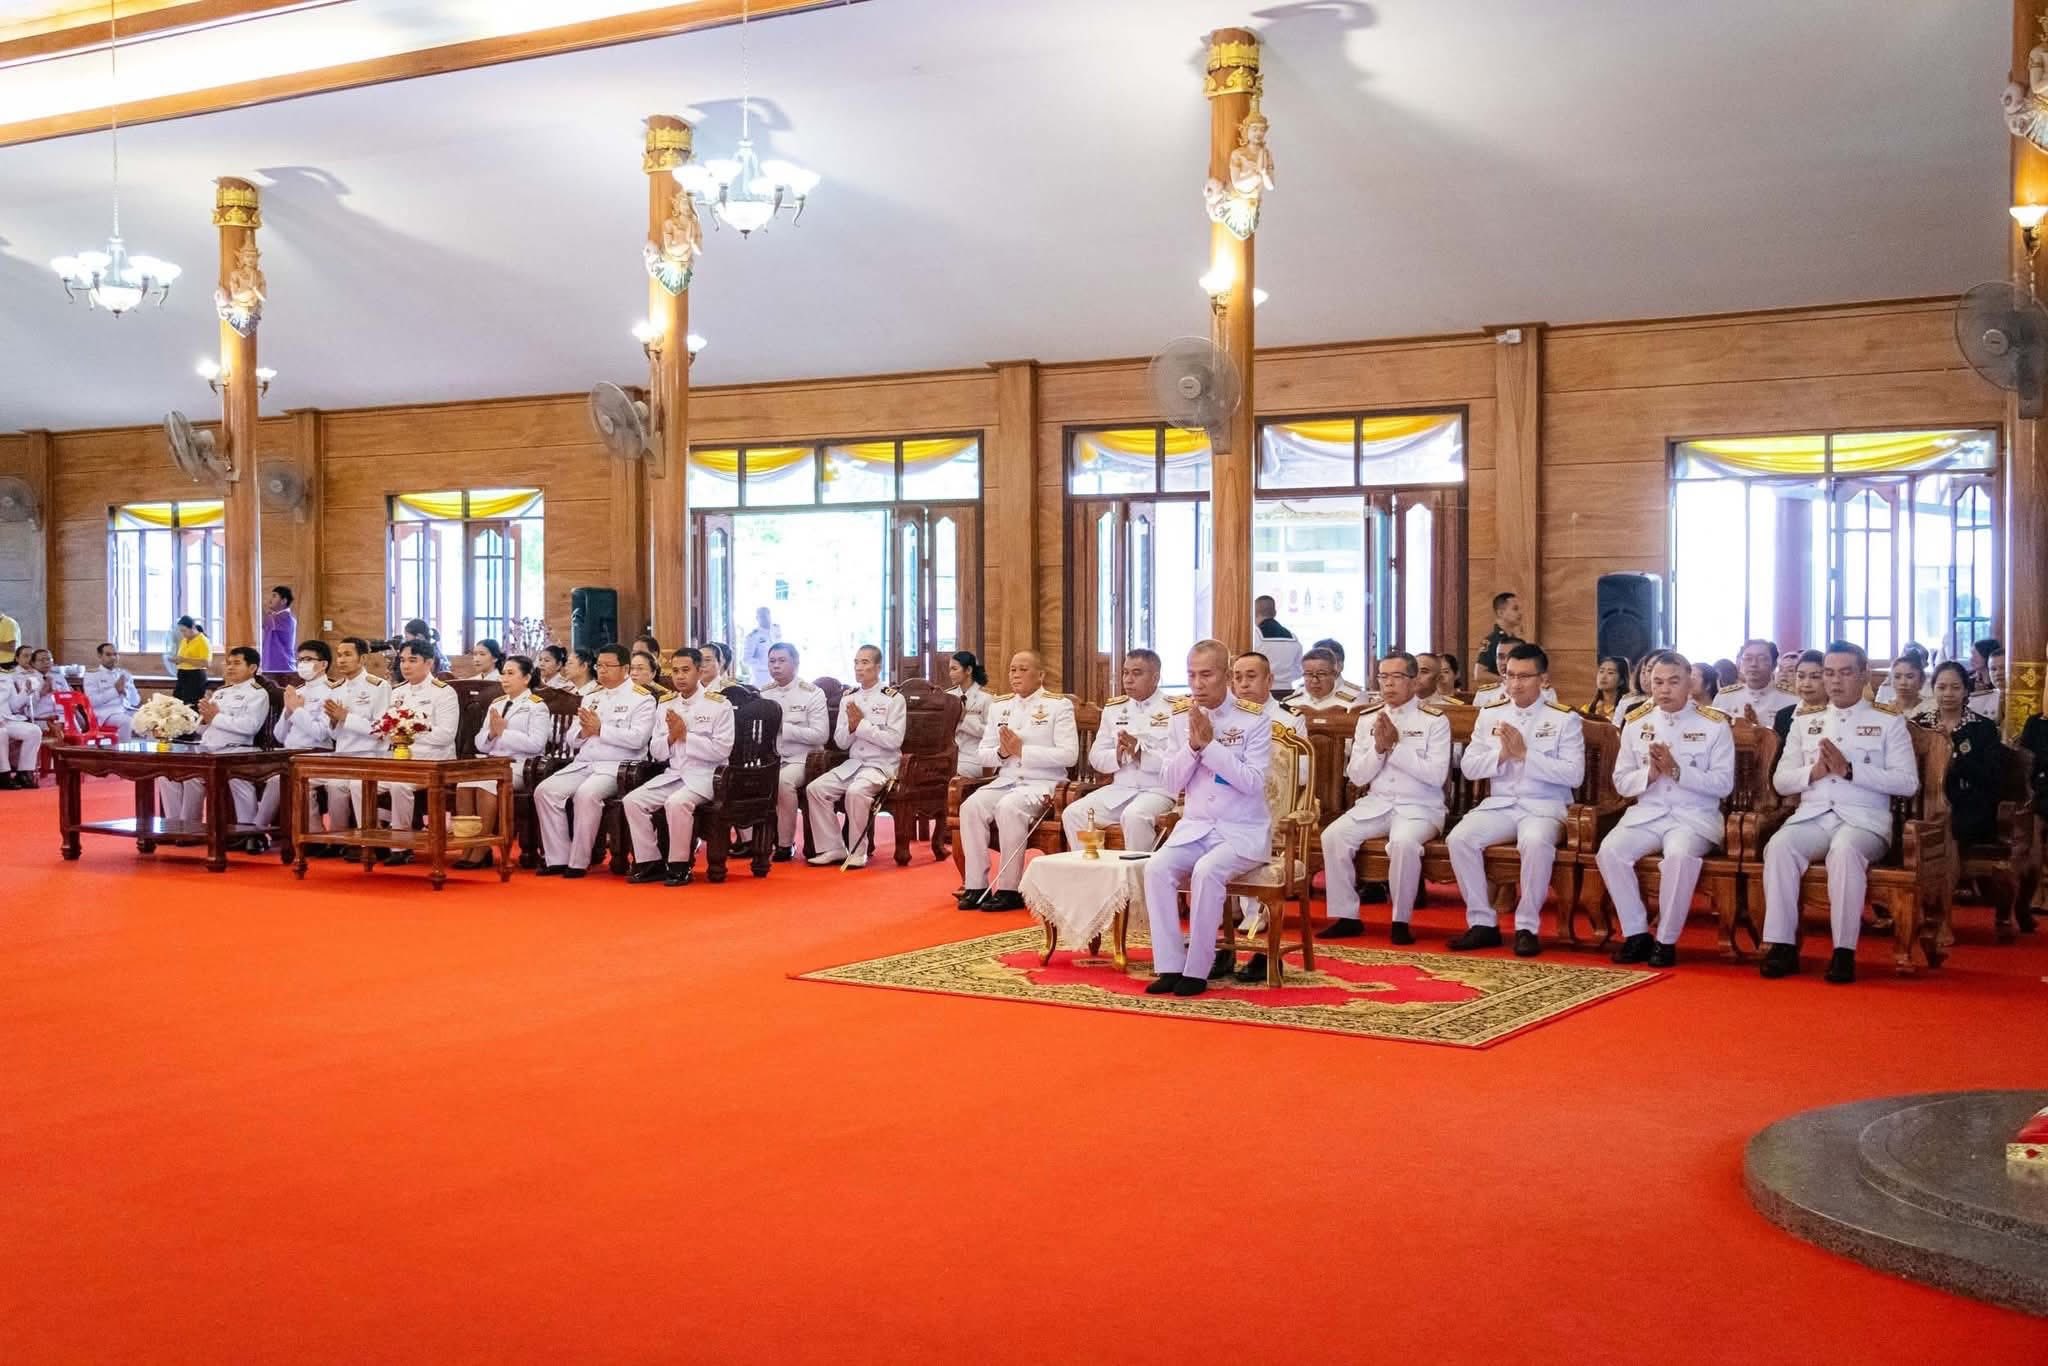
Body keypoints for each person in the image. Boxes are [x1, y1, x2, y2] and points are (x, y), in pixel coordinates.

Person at [1759, 642, 1919, 985]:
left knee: (1844, 851)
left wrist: (1851, 771)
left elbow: (1908, 783)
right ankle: (1782, 945)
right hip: (1814, 816)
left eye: (1845, 673)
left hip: (1864, 820)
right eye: (1828, 673)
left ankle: (1843, 950)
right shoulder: (1805, 722)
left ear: (1863, 675)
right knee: (1779, 846)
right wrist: (1812, 773)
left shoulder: (1888, 721)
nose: (1835, 681)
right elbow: (1781, 782)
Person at [1140, 640, 1273, 997]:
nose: (1197, 684)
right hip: (1196, 828)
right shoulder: (1179, 717)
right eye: (1191, 675)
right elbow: (1170, 783)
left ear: (1227, 676)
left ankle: (1197, 969)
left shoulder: (1254, 719)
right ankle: (1170, 965)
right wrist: (1193, 747)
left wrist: (1211, 747)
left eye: (1206, 675)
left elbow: (1253, 782)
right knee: (1156, 868)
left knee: (1207, 871)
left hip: (1241, 831)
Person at [1446, 642, 1585, 956]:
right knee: (1460, 839)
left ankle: (1526, 926)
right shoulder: (1491, 714)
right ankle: (1482, 922)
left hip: (1544, 806)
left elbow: (1574, 775)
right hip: (1501, 804)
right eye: (1510, 675)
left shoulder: (1564, 719)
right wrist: (1501, 756)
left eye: (1524, 676)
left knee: (1534, 842)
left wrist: (1525, 755)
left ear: (1543, 679)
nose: (1515, 684)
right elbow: (1469, 767)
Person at [1598, 651, 1734, 967]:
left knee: (1678, 856)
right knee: (1610, 852)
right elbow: (1621, 782)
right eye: (1658, 682)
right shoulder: (1636, 722)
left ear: (1689, 683)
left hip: (1693, 816)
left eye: (1673, 682)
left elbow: (1723, 784)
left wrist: (1677, 771)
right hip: (1648, 813)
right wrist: (1648, 774)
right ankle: (1636, 934)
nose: (1664, 689)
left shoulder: (1714, 724)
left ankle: (1666, 941)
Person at [1319, 652, 1451, 945]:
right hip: (1377, 804)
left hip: (1420, 807)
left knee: (1403, 843)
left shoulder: (1434, 720)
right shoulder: (1368, 718)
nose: (1388, 684)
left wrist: (1395, 747)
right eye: (1383, 677)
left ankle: (1400, 921)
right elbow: (1357, 776)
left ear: (1414, 681)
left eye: (1397, 677)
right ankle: (1346, 917)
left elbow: (1435, 776)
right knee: (1333, 836)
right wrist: (1378, 750)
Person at [955, 651, 1078, 909]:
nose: (1016, 675)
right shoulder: (1000, 706)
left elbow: (1069, 755)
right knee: (970, 807)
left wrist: (1023, 751)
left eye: (1023, 669)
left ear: (1040, 674)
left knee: (1008, 807)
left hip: (1042, 783)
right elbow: (983, 752)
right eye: (1012, 670)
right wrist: (1002, 753)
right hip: (1006, 780)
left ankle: (1009, 889)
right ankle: (975, 885)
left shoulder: (1058, 705)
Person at [535, 644, 656, 878]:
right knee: (545, 791)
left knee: (586, 794)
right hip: (584, 762)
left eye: (608, 666)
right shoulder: (591, 697)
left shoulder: (642, 699)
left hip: (616, 766)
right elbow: (571, 738)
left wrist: (600, 729)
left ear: (625, 669)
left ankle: (578, 862)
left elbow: (638, 739)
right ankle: (557, 857)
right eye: (599, 665)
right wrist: (584, 732)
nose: (602, 670)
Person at [623, 647, 735, 887]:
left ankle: (679, 865)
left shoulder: (718, 705)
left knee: (677, 803)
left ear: (699, 671)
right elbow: (656, 751)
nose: (680, 676)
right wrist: (671, 738)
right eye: (675, 671)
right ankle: (650, 862)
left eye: (686, 670)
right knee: (632, 801)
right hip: (674, 774)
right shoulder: (666, 703)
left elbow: (722, 750)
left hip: (706, 776)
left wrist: (686, 736)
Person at [1060, 648, 1175, 852]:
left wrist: (1140, 755)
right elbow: (1096, 757)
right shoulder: (1114, 709)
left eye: (1137, 673)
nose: (1128, 679)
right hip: (1120, 790)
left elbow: (1178, 762)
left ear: (1155, 677)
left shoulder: (1174, 709)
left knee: (1134, 817)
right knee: (1073, 813)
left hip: (1157, 791)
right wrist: (1118, 755)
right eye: (1125, 672)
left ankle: (1137, 873)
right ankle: (1097, 871)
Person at [805, 645, 907, 869]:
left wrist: (861, 725)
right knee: (816, 789)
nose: (859, 668)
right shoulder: (849, 699)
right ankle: (833, 847)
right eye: (856, 662)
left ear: (878, 667)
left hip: (881, 766)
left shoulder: (893, 699)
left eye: (865, 662)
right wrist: (851, 728)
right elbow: (841, 742)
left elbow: (894, 741)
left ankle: (858, 852)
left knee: (856, 792)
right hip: (854, 765)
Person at [236, 639, 339, 839]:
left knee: (281, 780)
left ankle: (258, 830)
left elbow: (321, 733)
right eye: (299, 660)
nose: (302, 664)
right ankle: (258, 831)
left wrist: (298, 711)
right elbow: (280, 735)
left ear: (323, 664)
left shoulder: (332, 691)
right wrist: (288, 713)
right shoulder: (297, 691)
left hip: (317, 754)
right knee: (249, 775)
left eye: (308, 659)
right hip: (288, 753)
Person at [456, 654, 550, 868]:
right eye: (503, 673)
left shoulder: (537, 706)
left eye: (511, 673)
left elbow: (537, 744)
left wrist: (503, 733)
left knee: (486, 784)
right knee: (464, 784)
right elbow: (480, 743)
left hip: (519, 766)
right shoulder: (497, 704)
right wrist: (491, 734)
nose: (504, 678)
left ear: (526, 678)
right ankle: (467, 846)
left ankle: (482, 847)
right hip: (491, 762)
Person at [156, 646, 268, 824]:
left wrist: (215, 717)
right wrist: (196, 722)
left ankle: (248, 829)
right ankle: (181, 825)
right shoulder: (221, 692)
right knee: (167, 774)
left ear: (252, 668)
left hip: (236, 751)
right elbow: (202, 730)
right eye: (228, 663)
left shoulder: (257, 694)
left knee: (205, 778)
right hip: (207, 749)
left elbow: (250, 727)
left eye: (237, 663)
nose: (230, 667)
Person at [381, 640, 462, 858]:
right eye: (402, 660)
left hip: (434, 762)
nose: (405, 666)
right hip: (400, 761)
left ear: (429, 663)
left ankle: (400, 846)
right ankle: (370, 841)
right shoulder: (398, 692)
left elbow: (446, 735)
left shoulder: (444, 692)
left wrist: (410, 732)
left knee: (399, 785)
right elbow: (388, 729)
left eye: (412, 660)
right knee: (358, 783)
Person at [315, 637, 392, 847]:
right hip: (343, 756)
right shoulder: (336, 688)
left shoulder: (378, 686)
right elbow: (333, 735)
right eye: (339, 655)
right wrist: (334, 723)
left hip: (371, 756)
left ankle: (368, 841)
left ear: (363, 659)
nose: (341, 660)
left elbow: (381, 730)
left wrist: (345, 717)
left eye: (348, 655)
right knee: (332, 785)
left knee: (355, 785)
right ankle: (339, 840)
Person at [758, 643, 829, 861]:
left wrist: (783, 728)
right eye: (772, 661)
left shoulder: (812, 693)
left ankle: (784, 844)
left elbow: (820, 735)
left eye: (782, 661)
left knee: (782, 782)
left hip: (802, 759)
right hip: (771, 758)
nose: (776, 666)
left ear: (796, 663)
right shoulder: (764, 693)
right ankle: (752, 841)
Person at [1923, 660, 2004, 848]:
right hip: (1926, 800)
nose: (1948, 693)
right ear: (1933, 689)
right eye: (1941, 687)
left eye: (1955, 687)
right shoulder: (1920, 725)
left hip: (1969, 804)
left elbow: (1990, 777)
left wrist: (1953, 753)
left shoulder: (1983, 727)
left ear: (1966, 690)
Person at [1714, 638, 1797, 726]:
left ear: (1774, 665)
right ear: (1740, 663)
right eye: (1748, 659)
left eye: (1761, 659)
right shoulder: (1724, 697)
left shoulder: (1792, 698)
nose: (1753, 664)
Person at [946, 650, 992, 780]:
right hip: (949, 756)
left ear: (968, 670)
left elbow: (990, 733)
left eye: (954, 669)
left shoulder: (986, 698)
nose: (950, 674)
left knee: (949, 775)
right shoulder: (948, 696)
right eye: (950, 669)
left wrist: (964, 718)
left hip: (974, 758)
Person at [82, 642, 140, 740]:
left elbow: (136, 701)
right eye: (108, 655)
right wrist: (115, 691)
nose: (113, 658)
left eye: (115, 654)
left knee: (151, 719)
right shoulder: (92, 675)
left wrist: (126, 692)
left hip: (125, 710)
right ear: (100, 656)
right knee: (127, 722)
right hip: (106, 714)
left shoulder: (124, 674)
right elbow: (91, 701)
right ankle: (122, 749)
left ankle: (149, 749)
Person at [2, 653, 42, 787]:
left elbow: (14, 705)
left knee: (34, 731)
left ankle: (24, 772)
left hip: (7, 719)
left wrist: (26, 691)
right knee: (1, 733)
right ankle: (4, 775)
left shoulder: (5, 677)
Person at [1774, 651, 1827, 746]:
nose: (1806, 684)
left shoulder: (1838, 714)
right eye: (1801, 676)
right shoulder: (1783, 716)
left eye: (1815, 677)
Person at [1286, 647, 1360, 713]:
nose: (1315, 681)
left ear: (1334, 674)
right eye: (1308, 674)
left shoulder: (1352, 704)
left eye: (1321, 674)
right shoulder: (1292, 702)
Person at [1475, 591, 1525, 679]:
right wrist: (1506, 680)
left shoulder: (1516, 639)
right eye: (1515, 609)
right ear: (1500, 613)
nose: (1520, 613)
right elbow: (1479, 674)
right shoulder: (1491, 640)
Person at [166, 615, 212, 705]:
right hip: (182, 675)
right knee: (177, 704)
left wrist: (184, 659)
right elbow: (182, 658)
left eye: (184, 631)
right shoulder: (184, 640)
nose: (182, 634)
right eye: (181, 631)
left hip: (195, 676)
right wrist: (176, 660)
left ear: (193, 628)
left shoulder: (203, 641)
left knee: (190, 705)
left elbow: (206, 663)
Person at [1886, 653, 1935, 724]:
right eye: (1897, 677)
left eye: (1910, 677)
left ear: (1921, 680)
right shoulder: (1883, 708)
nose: (1903, 682)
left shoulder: (1931, 708)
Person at [261, 586, 297, 673]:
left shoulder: (285, 617)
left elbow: (260, 618)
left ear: (284, 601)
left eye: (274, 596)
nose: (270, 599)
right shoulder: (274, 616)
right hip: (273, 666)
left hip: (282, 667)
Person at [1585, 654, 1631, 722]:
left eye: (1610, 673)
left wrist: (1602, 716)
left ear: (1621, 680)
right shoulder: (1587, 709)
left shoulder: (1628, 708)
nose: (1603, 677)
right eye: (1601, 671)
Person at [742, 607, 781, 683]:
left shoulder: (776, 630)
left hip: (778, 677)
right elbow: (746, 659)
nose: (766, 619)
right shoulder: (753, 636)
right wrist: (766, 665)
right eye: (762, 616)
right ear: (757, 618)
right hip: (761, 678)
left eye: (767, 615)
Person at [1969, 637, 2004, 722]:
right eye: (1993, 669)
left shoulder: (2001, 682)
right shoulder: (1968, 681)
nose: (1971, 659)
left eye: (1975, 655)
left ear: (1986, 655)